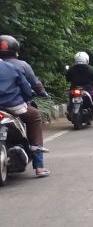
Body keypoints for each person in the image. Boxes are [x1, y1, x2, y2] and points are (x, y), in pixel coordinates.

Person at [0, 35, 49, 176]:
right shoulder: (19, 65)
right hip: (13, 106)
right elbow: (32, 86)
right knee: (35, 117)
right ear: (15, 50)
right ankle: (39, 166)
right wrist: (37, 94)